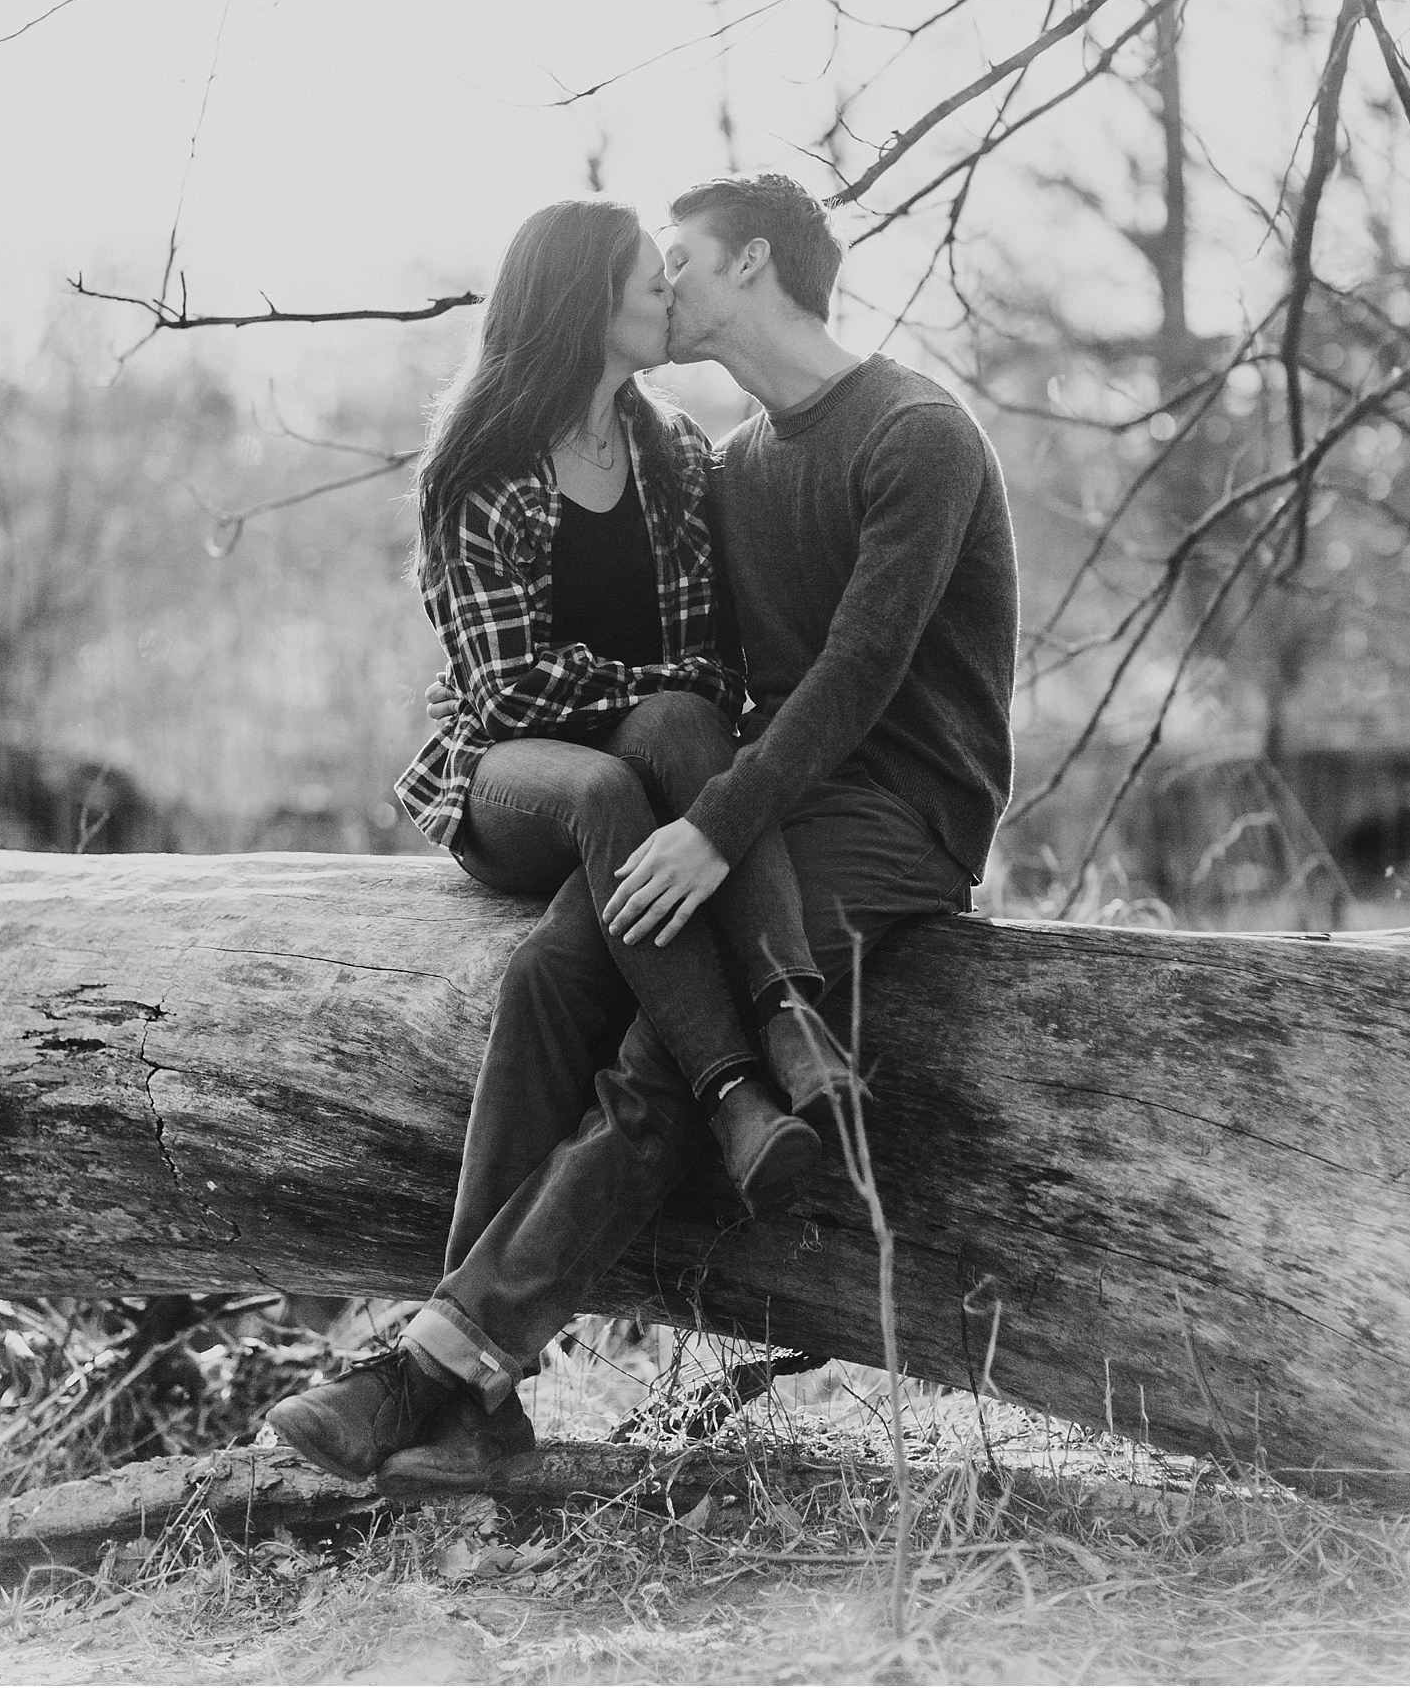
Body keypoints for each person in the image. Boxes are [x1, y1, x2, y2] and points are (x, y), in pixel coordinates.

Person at [268, 173, 1018, 1487]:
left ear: (754, 266)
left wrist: (715, 830)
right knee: (555, 970)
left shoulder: (917, 433)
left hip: (902, 815)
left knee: (663, 1052)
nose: (663, 284)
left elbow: (855, 675)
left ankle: (436, 1366)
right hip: (768, 807)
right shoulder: (734, 466)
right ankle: (474, 1381)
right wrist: (679, 804)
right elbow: (709, 688)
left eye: (682, 258)